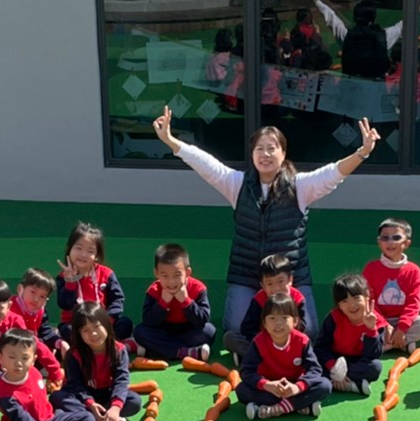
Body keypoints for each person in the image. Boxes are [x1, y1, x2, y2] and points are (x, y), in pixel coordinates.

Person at [150, 106, 379, 341]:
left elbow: (333, 173)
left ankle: (267, 345)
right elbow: (205, 164)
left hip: (288, 278)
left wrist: (362, 153)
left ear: (283, 153)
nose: (265, 154)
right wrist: (169, 140)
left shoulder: (300, 186)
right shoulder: (237, 184)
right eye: (259, 148)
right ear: (252, 154)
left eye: (272, 148)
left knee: (307, 331)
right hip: (247, 275)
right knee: (236, 328)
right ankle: (259, 347)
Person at [0, 330, 105, 421]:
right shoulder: (5, 395)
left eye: (25, 358)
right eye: (12, 357)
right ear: (0, 358)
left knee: (88, 418)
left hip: (51, 420)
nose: (18, 363)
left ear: (34, 360)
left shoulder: (34, 372)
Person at [54, 302, 142, 421]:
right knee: (57, 397)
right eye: (86, 330)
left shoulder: (118, 350)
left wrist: (115, 407)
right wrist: (90, 403)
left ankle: (93, 419)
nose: (93, 333)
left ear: (106, 324)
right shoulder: (74, 355)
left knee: (134, 401)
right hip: (81, 397)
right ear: (79, 334)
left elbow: (121, 379)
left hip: (106, 394)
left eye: (97, 326)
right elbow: (75, 385)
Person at [238, 293, 329, 420]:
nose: (278, 323)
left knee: (325, 385)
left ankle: (276, 409)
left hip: (294, 385)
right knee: (241, 390)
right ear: (264, 322)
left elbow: (315, 369)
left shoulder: (302, 341)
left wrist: (298, 387)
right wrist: (266, 384)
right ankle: (299, 405)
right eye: (272, 318)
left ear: (295, 321)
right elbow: (246, 371)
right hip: (270, 388)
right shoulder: (258, 342)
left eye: (284, 318)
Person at [134, 243, 215, 364]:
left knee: (209, 331)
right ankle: (185, 352)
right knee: (140, 331)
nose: (171, 282)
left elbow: (203, 318)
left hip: (188, 330)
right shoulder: (154, 290)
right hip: (163, 330)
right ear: (156, 273)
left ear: (187, 272)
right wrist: (163, 302)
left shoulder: (198, 288)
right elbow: (148, 321)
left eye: (177, 275)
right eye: (165, 276)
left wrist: (186, 301)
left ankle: (158, 349)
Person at [55, 222, 132, 346]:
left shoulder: (107, 274)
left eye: (90, 251)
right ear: (69, 249)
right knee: (67, 330)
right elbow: (65, 304)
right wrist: (70, 282)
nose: (83, 254)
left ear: (97, 256)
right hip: (77, 325)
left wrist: (106, 320)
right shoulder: (63, 277)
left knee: (125, 324)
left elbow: (117, 300)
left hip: (102, 323)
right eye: (78, 248)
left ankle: (102, 344)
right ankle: (108, 344)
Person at [364, 217, 420, 354]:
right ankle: (402, 343)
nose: (390, 242)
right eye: (385, 238)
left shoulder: (413, 270)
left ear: (406, 243)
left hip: (403, 321)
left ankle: (388, 344)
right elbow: (368, 301)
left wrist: (402, 328)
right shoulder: (371, 268)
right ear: (379, 242)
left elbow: (414, 303)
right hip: (378, 320)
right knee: (359, 325)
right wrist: (384, 324)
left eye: (396, 237)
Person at [315, 271, 383, 395]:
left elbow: (373, 355)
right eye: (344, 301)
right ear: (338, 305)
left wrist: (371, 329)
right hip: (334, 359)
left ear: (367, 296)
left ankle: (334, 381)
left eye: (356, 298)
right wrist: (333, 367)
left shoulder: (376, 320)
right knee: (313, 364)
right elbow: (320, 347)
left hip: (357, 362)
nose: (352, 305)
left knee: (375, 367)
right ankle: (351, 385)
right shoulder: (334, 318)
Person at [226, 253, 305, 359]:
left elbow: (302, 326)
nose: (276, 288)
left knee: (308, 337)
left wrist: (285, 336)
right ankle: (261, 357)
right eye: (269, 284)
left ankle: (253, 359)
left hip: (289, 344)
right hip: (264, 344)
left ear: (290, 280)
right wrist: (264, 339)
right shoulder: (259, 300)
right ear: (263, 286)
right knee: (230, 337)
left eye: (280, 281)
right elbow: (248, 327)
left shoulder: (297, 299)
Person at [7, 267, 65, 367]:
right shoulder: (9, 308)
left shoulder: (41, 311)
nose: (36, 299)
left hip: (31, 349)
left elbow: (45, 332)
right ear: (20, 289)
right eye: (33, 292)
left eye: (42, 296)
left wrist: (59, 342)